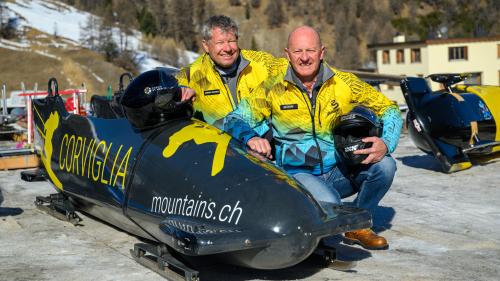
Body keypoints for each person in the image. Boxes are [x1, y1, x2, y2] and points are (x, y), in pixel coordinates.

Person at [223, 26, 403, 250]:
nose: (305, 58)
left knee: (385, 167)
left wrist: (386, 142)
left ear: (322, 52)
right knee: (331, 206)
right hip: (299, 175)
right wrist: (250, 137)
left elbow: (390, 109)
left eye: (310, 50)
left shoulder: (344, 82)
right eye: (298, 52)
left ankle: (358, 225)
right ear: (287, 54)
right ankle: (318, 226)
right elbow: (233, 119)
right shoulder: (271, 87)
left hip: (339, 169)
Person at [176, 15, 287, 130]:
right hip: (217, 143)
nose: (227, 48)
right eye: (220, 42)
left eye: (231, 41)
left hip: (262, 138)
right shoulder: (194, 73)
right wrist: (181, 89)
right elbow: (175, 82)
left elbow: (290, 68)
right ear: (206, 45)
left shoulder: (261, 62)